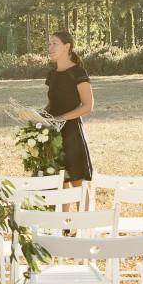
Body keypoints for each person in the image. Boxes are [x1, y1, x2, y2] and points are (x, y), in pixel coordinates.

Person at [45, 30, 94, 191]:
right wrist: (39, 116)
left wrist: (62, 118)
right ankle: (64, 217)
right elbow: (52, 103)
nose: (50, 47)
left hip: (72, 132)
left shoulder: (78, 72)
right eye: (49, 43)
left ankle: (84, 217)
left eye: (55, 43)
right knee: (61, 182)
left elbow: (88, 105)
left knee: (77, 182)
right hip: (54, 133)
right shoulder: (52, 75)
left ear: (67, 47)